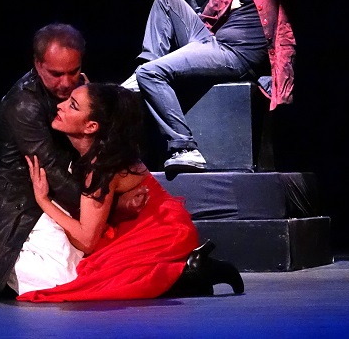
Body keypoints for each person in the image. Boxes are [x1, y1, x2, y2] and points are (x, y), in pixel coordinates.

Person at [0, 23, 146, 300]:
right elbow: (52, 173)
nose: (66, 83)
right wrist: (112, 206)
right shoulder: (23, 106)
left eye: (73, 71)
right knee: (62, 277)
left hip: (71, 192)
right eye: (56, 74)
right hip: (24, 201)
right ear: (37, 64)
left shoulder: (79, 88)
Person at [125, 0, 318, 179]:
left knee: (151, 74)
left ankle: (184, 147)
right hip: (213, 44)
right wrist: (189, 48)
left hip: (238, 56)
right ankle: (143, 71)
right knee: (166, 0)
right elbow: (207, 19)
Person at [16, 82, 244, 302]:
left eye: (72, 105)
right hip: (140, 226)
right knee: (102, 274)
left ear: (91, 126)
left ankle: (197, 271)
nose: (60, 105)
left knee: (101, 283)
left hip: (158, 232)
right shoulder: (101, 150)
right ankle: (191, 274)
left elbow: (86, 240)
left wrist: (43, 200)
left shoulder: (101, 165)